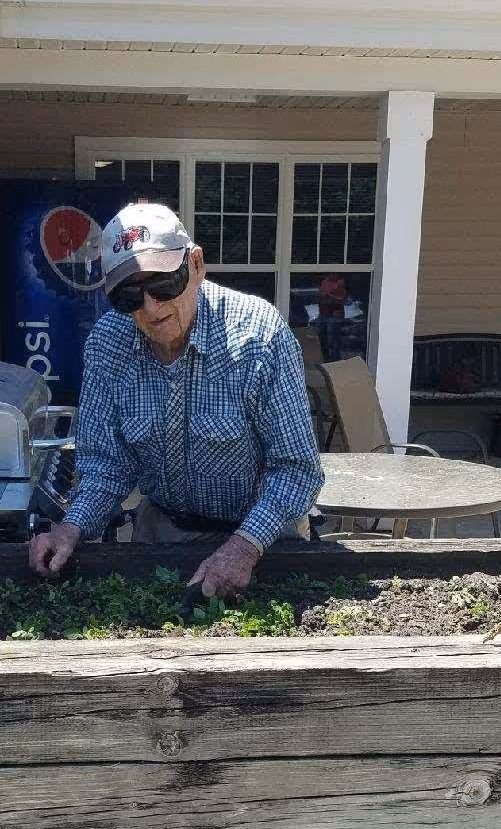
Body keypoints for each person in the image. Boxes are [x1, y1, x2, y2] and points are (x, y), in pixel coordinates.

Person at [29, 203, 323, 598]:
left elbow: (296, 469)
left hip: (263, 538)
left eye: (164, 283)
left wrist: (243, 548)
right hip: (161, 532)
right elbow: (105, 463)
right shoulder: (106, 344)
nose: (151, 307)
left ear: (196, 265)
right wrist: (72, 527)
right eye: (129, 294)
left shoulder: (260, 337)